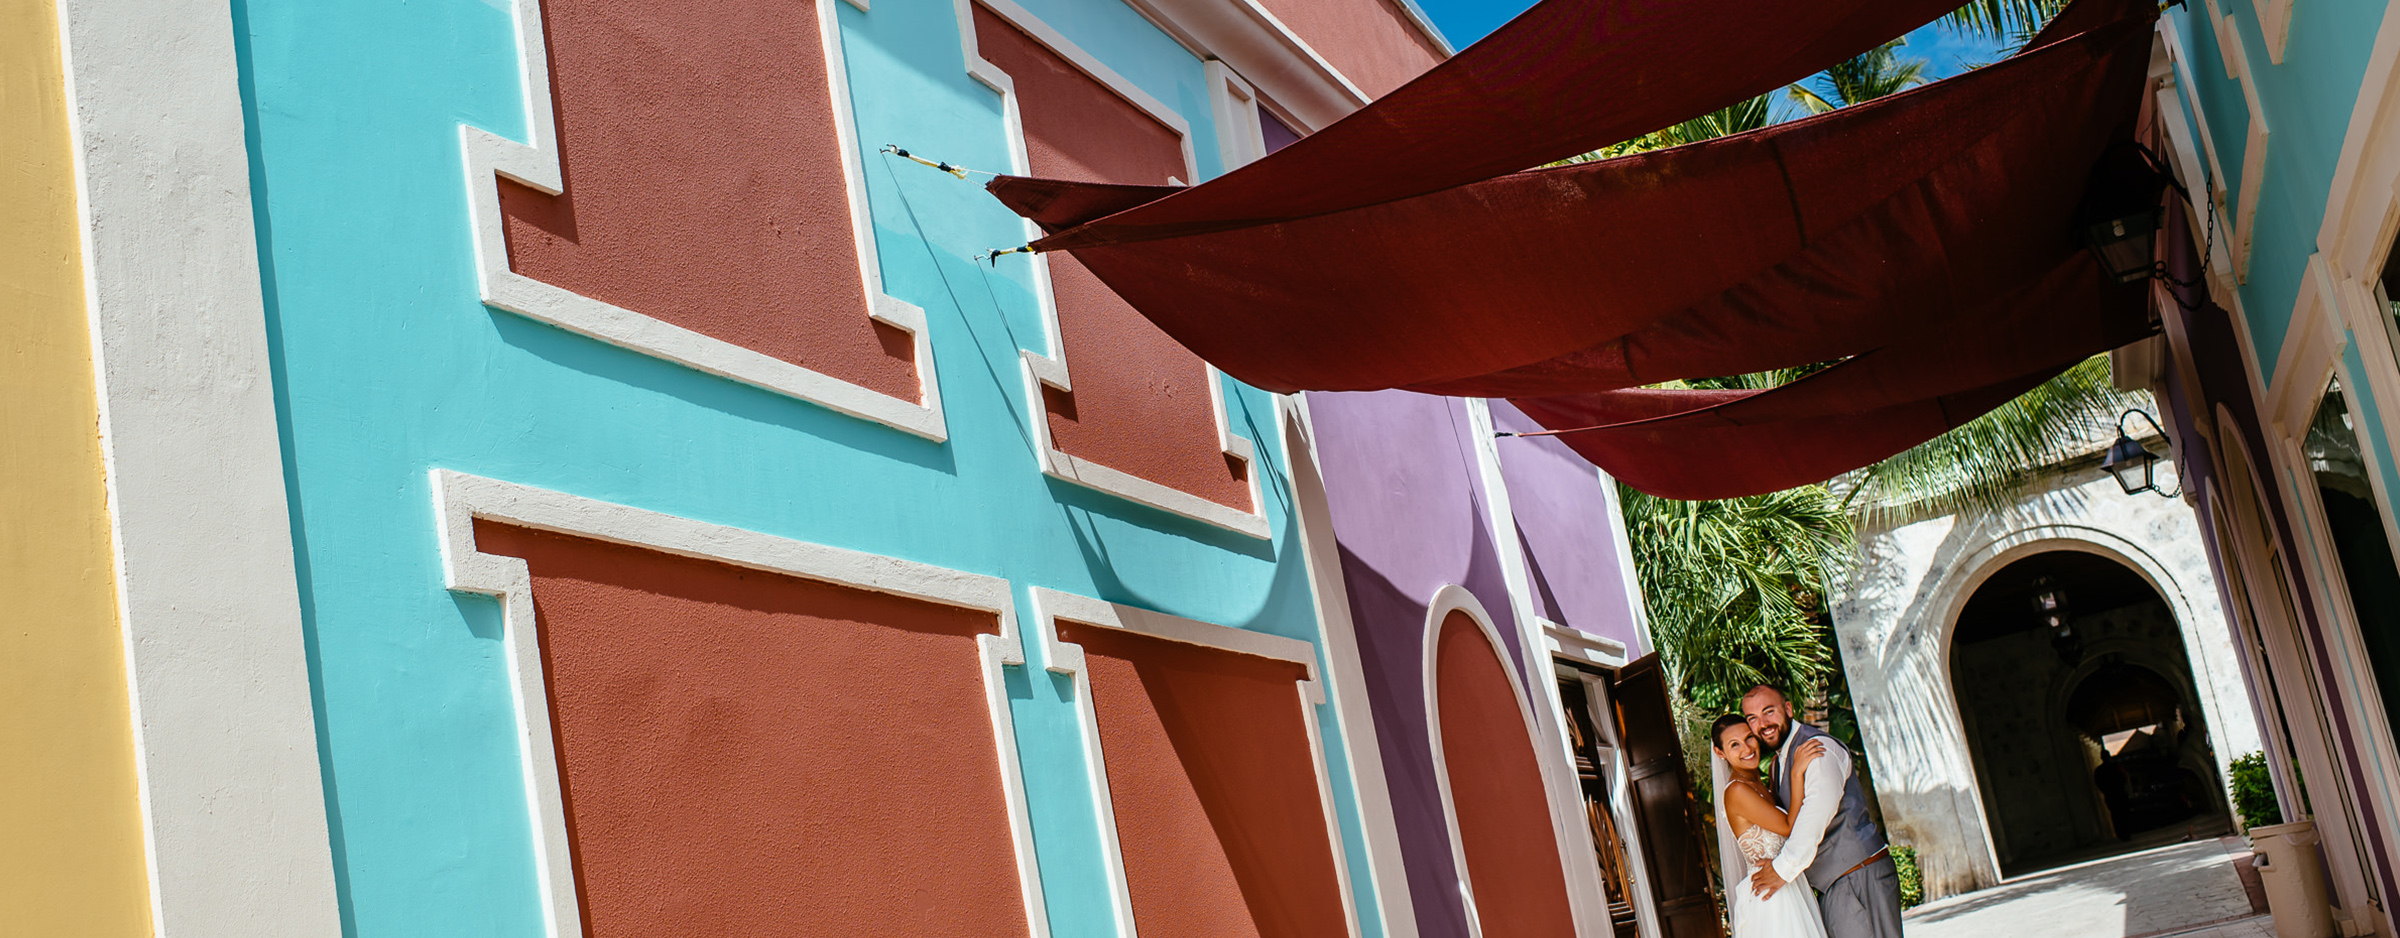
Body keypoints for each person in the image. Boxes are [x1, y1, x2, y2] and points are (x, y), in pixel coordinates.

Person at [1742, 685, 1905, 938]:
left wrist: (1781, 870)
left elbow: (1816, 813)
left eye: (1768, 711)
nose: (1763, 724)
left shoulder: (1817, 748)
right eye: (1752, 718)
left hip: (1857, 876)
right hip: (1834, 885)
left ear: (1788, 709)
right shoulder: (1777, 765)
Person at [1712, 714, 1830, 938]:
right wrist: (1797, 773)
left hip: (1785, 882)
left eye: (1749, 738)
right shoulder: (1737, 791)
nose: (1746, 748)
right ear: (1720, 753)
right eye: (1734, 745)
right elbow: (1788, 827)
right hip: (1771, 895)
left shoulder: (1757, 783)